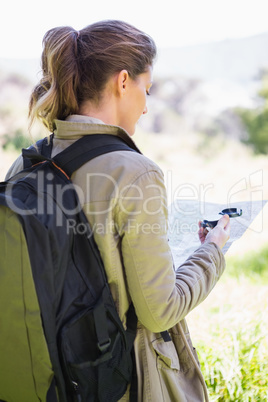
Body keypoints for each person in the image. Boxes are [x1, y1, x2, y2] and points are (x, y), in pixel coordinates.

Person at [6, 20, 230, 401]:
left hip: (45, 382)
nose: (146, 104)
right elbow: (160, 311)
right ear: (123, 82)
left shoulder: (25, 166)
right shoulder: (134, 172)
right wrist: (212, 252)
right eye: (147, 88)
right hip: (118, 382)